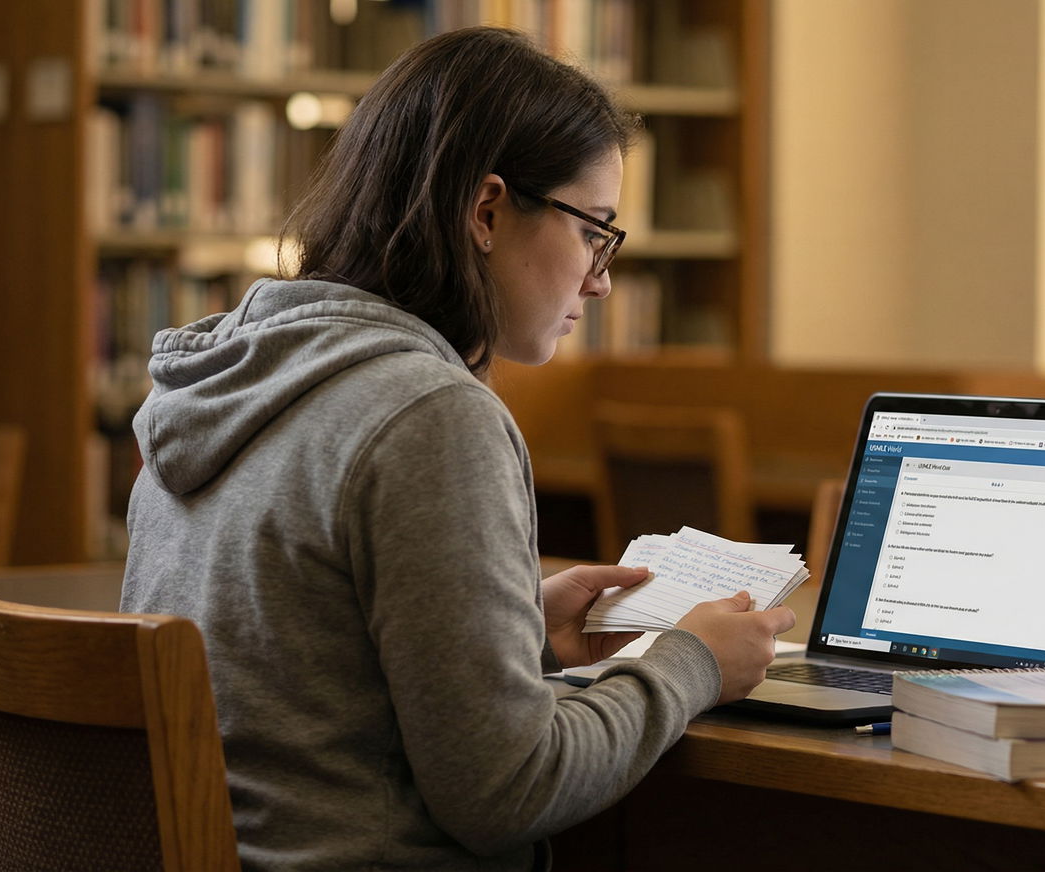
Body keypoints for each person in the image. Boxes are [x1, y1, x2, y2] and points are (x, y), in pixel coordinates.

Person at [120, 26, 794, 871]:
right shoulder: (430, 414)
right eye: (595, 230)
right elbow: (509, 792)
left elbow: (299, 672)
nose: (602, 278)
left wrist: (516, 629)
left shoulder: (213, 382)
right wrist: (691, 663)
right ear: (486, 210)